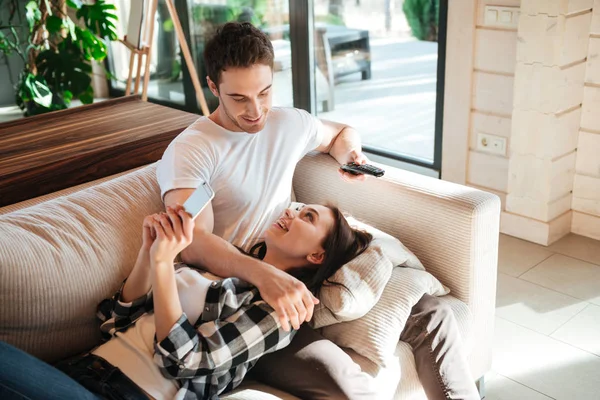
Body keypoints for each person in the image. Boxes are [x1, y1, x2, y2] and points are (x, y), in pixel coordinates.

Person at [157, 21, 481, 400]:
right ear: (213, 88)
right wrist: (265, 277)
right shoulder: (194, 150)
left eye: (264, 92)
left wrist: (349, 156)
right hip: (246, 301)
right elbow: (193, 243)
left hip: (305, 266)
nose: (256, 110)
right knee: (346, 387)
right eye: (240, 99)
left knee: (433, 315)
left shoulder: (286, 123)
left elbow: (341, 133)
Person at [0, 203, 373, 400]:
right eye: (297, 207)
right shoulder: (225, 264)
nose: (291, 212)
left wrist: (163, 264)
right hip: (79, 370)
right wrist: (148, 253)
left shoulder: (282, 312)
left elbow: (188, 361)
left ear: (317, 257)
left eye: (306, 217)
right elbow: (114, 320)